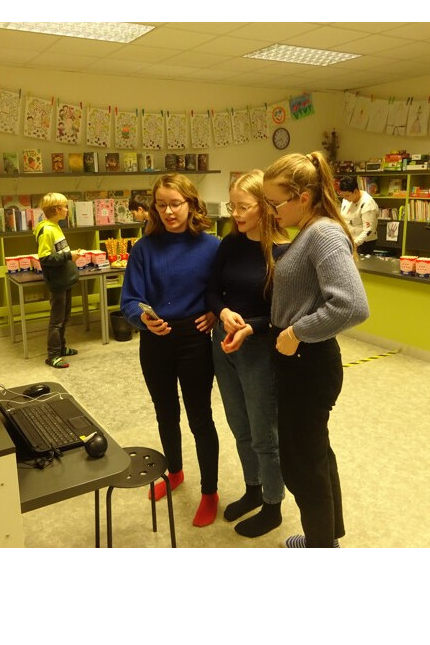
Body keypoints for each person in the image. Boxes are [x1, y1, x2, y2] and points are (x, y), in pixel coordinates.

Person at [263, 151, 370, 548]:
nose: (271, 211)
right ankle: (326, 539)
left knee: (303, 465)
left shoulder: (322, 234)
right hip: (298, 361)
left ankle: (321, 546)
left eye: (275, 203)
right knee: (315, 454)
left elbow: (352, 306)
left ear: (302, 198)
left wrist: (297, 332)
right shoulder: (309, 231)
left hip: (307, 363)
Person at [119, 174, 222, 527]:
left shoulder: (212, 246)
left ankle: (210, 492)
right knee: (165, 413)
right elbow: (129, 299)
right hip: (155, 340)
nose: (168, 212)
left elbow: (223, 291)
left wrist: (215, 310)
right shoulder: (144, 249)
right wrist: (142, 319)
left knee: (200, 418)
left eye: (175, 204)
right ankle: (175, 472)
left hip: (195, 339)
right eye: (161, 205)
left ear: (191, 204)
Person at [206, 170, 291, 538]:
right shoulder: (230, 243)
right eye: (233, 206)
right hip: (224, 343)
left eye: (244, 207)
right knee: (239, 426)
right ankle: (253, 489)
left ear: (265, 206)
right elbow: (211, 290)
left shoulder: (283, 251)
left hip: (258, 348)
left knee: (263, 434)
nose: (236, 214)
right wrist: (223, 312)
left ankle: (272, 505)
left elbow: (282, 314)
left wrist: (250, 327)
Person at [34, 193, 80, 369]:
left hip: (65, 279)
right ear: (56, 209)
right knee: (57, 321)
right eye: (65, 207)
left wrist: (69, 256)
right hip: (57, 282)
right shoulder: (46, 230)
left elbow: (58, 252)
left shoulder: (55, 226)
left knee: (65, 317)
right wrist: (69, 255)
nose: (67, 210)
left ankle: (61, 347)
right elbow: (45, 258)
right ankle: (53, 355)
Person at [337, 176, 379, 255]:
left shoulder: (368, 204)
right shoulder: (346, 200)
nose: (345, 198)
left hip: (363, 243)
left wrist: (354, 244)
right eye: (342, 196)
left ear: (355, 191)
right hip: (348, 240)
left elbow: (369, 230)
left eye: (347, 195)